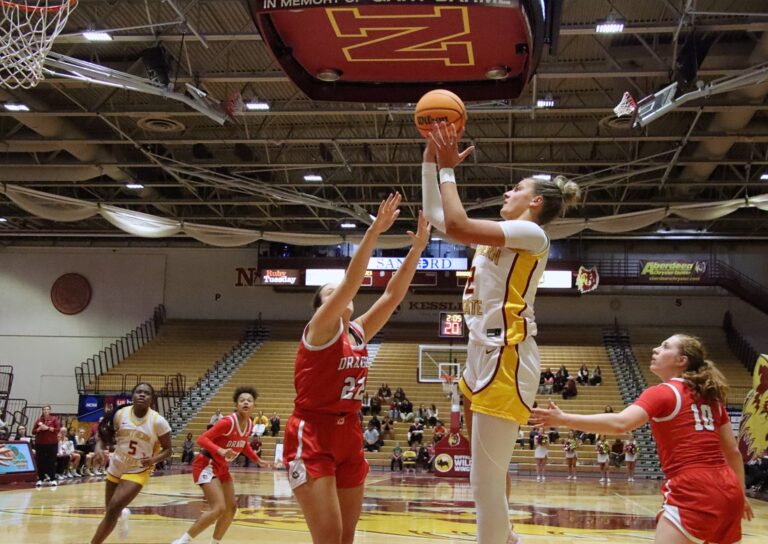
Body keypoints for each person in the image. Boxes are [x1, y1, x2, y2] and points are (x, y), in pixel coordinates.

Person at [422, 122, 581, 544]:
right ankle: (507, 539)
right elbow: (439, 218)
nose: (507, 193)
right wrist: (429, 163)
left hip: (506, 353)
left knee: (483, 482)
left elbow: (454, 224)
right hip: (481, 352)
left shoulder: (533, 234)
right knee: (486, 475)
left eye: (516, 189)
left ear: (536, 202)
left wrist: (448, 169)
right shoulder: (499, 235)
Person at [282, 194, 430, 544]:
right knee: (329, 537)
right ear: (323, 306)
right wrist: (375, 231)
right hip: (312, 432)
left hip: (348, 430)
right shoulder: (319, 329)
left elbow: (392, 296)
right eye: (331, 293)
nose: (341, 293)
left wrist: (417, 249)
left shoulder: (358, 330)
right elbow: (352, 281)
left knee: (347, 538)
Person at [531, 334, 754, 544]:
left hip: (694, 488)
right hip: (729, 490)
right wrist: (741, 495)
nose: (656, 349)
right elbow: (732, 452)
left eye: (665, 346)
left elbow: (620, 424)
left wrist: (563, 419)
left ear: (681, 360)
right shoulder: (712, 399)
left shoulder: (663, 392)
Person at [172, 386, 271, 544]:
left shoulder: (250, 424)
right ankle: (182, 541)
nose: (245, 402)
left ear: (254, 405)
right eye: (242, 400)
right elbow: (202, 439)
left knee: (231, 509)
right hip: (206, 463)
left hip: (222, 468)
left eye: (249, 400)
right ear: (236, 404)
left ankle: (215, 542)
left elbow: (243, 443)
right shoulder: (227, 422)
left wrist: (257, 459)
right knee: (218, 508)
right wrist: (220, 450)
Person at [89, 383, 173, 544]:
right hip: (117, 465)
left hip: (138, 469)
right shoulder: (120, 414)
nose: (142, 395)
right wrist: (99, 448)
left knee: (113, 507)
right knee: (111, 511)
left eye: (146, 393)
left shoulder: (158, 422)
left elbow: (168, 450)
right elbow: (103, 436)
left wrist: (153, 460)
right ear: (132, 396)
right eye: (138, 392)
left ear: (152, 400)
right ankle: (122, 519)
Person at [32, 405, 60, 487]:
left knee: (51, 461)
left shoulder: (54, 419)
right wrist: (39, 429)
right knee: (40, 461)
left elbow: (57, 430)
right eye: (44, 409)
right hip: (40, 444)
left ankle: (53, 479)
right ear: (42, 411)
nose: (46, 411)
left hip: (52, 444)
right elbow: (33, 431)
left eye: (47, 409)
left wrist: (47, 428)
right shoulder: (38, 420)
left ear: (50, 411)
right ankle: (41, 478)